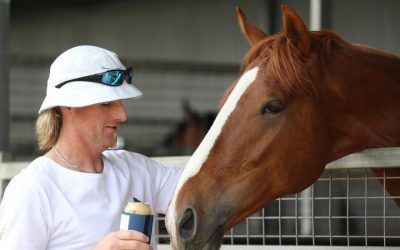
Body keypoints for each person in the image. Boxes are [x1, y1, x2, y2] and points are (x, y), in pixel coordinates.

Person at [0, 45, 183, 250]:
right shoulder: (33, 188)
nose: (122, 115)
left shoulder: (138, 169)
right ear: (68, 105)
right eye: (106, 104)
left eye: (121, 103)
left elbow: (208, 185)